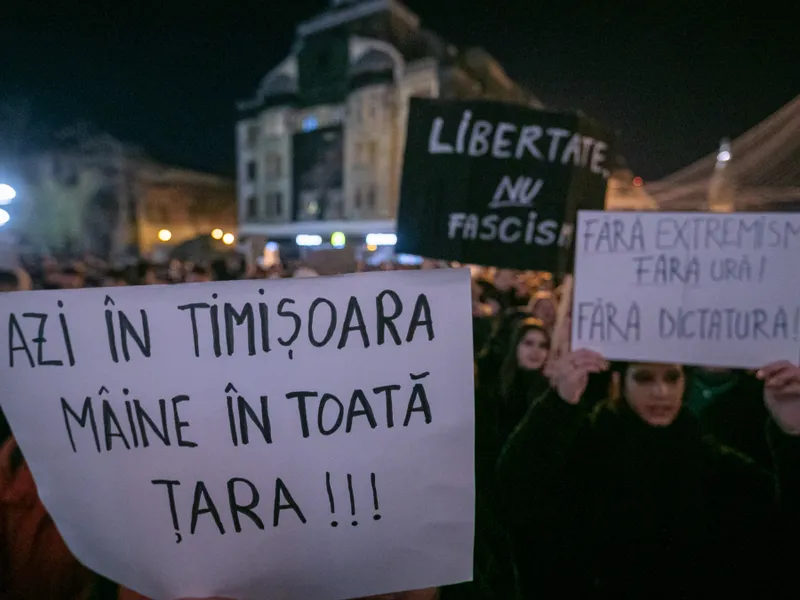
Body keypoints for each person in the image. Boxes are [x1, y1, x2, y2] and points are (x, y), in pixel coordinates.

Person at [498, 350, 800, 597]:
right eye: (644, 378)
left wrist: (792, 435)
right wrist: (558, 405)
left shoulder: (710, 461)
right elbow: (515, 491)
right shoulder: (584, 450)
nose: (661, 391)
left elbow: (781, 530)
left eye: (672, 377)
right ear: (619, 382)